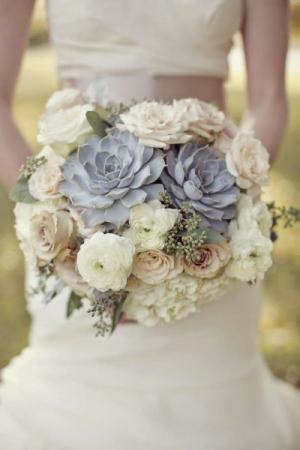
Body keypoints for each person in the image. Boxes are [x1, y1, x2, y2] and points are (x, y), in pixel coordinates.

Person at [0, 1, 299, 449]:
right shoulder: (64, 224)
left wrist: (225, 204)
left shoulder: (217, 222)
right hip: (77, 222)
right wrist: (48, 207)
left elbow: (270, 101)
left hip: (215, 220)